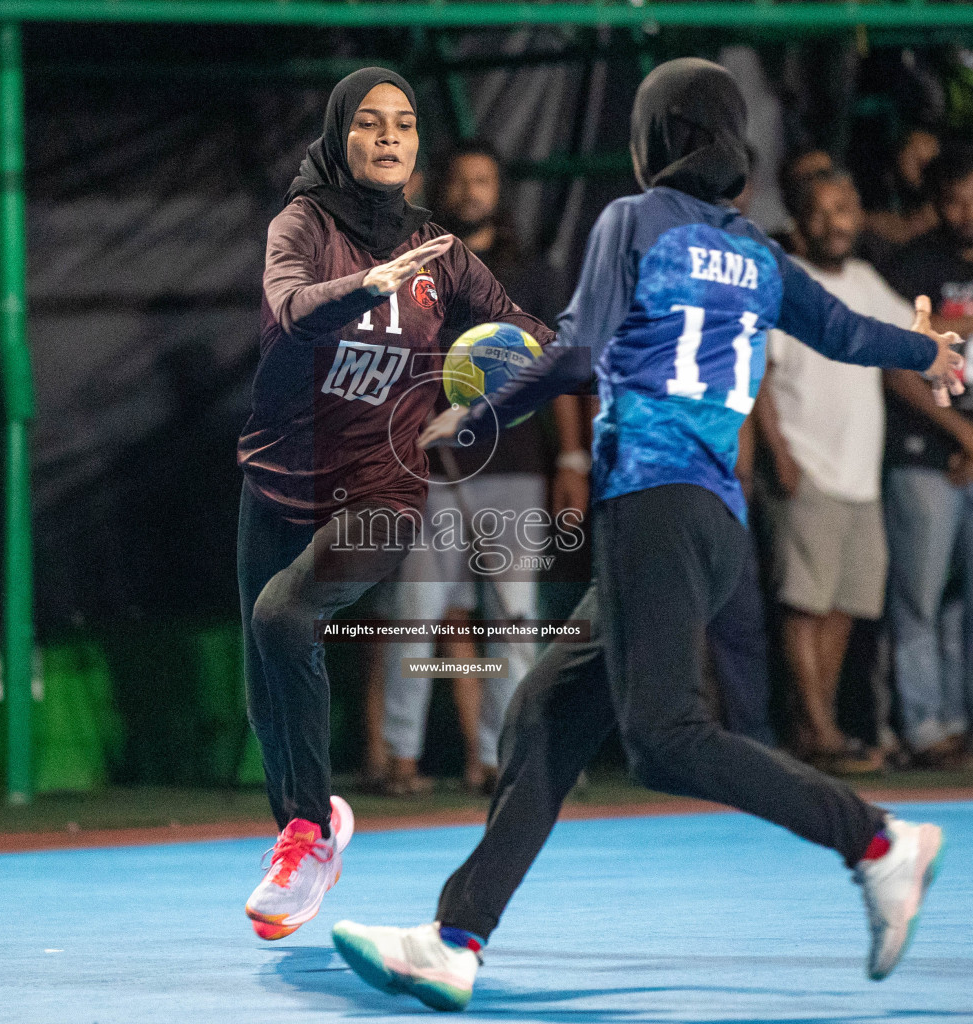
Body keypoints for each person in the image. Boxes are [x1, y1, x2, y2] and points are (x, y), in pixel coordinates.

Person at [331, 58, 962, 1012]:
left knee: (665, 738)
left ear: (652, 141)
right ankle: (455, 939)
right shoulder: (756, 252)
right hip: (714, 524)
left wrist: (476, 414)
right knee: (547, 713)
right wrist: (928, 347)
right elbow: (841, 330)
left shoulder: (632, 220)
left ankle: (875, 840)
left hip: (653, 505)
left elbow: (580, 350)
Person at [235, 68, 553, 940]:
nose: (389, 136)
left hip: (383, 488)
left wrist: (580, 353)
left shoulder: (440, 251)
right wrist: (362, 290)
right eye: (371, 123)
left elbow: (529, 331)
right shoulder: (301, 225)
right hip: (279, 477)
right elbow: (289, 306)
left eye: (405, 124)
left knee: (282, 614)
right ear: (341, 137)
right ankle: (306, 829)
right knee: (265, 671)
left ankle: (306, 836)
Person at [374, 140, 576, 797]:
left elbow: (563, 372)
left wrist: (571, 455)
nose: (471, 192)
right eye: (460, 181)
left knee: (513, 617)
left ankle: (498, 755)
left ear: (500, 190)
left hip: (515, 467)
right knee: (419, 613)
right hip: (433, 469)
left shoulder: (535, 273)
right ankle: (401, 757)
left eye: (483, 180)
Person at [753, 167, 915, 773]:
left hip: (861, 475)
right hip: (810, 467)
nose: (836, 222)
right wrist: (781, 455)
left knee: (845, 604)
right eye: (821, 211)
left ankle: (815, 724)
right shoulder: (785, 285)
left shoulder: (868, 283)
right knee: (805, 604)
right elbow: (760, 379)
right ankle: (819, 728)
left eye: (845, 207)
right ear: (799, 223)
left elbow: (913, 332)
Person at [878, 144, 973, 766]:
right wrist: (964, 436)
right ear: (938, 205)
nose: (970, 212)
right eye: (956, 200)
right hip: (924, 454)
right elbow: (899, 358)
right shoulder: (913, 265)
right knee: (922, 597)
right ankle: (927, 728)